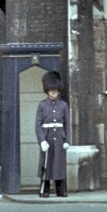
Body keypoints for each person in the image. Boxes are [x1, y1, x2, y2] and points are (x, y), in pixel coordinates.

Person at [35, 69, 71, 198]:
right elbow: (38, 125)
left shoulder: (63, 105)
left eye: (55, 90)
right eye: (51, 90)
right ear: (47, 91)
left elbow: (67, 124)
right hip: (47, 137)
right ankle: (45, 190)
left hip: (60, 138)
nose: (53, 92)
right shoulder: (42, 105)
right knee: (47, 164)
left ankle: (61, 190)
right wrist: (42, 141)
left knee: (59, 164)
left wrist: (67, 141)